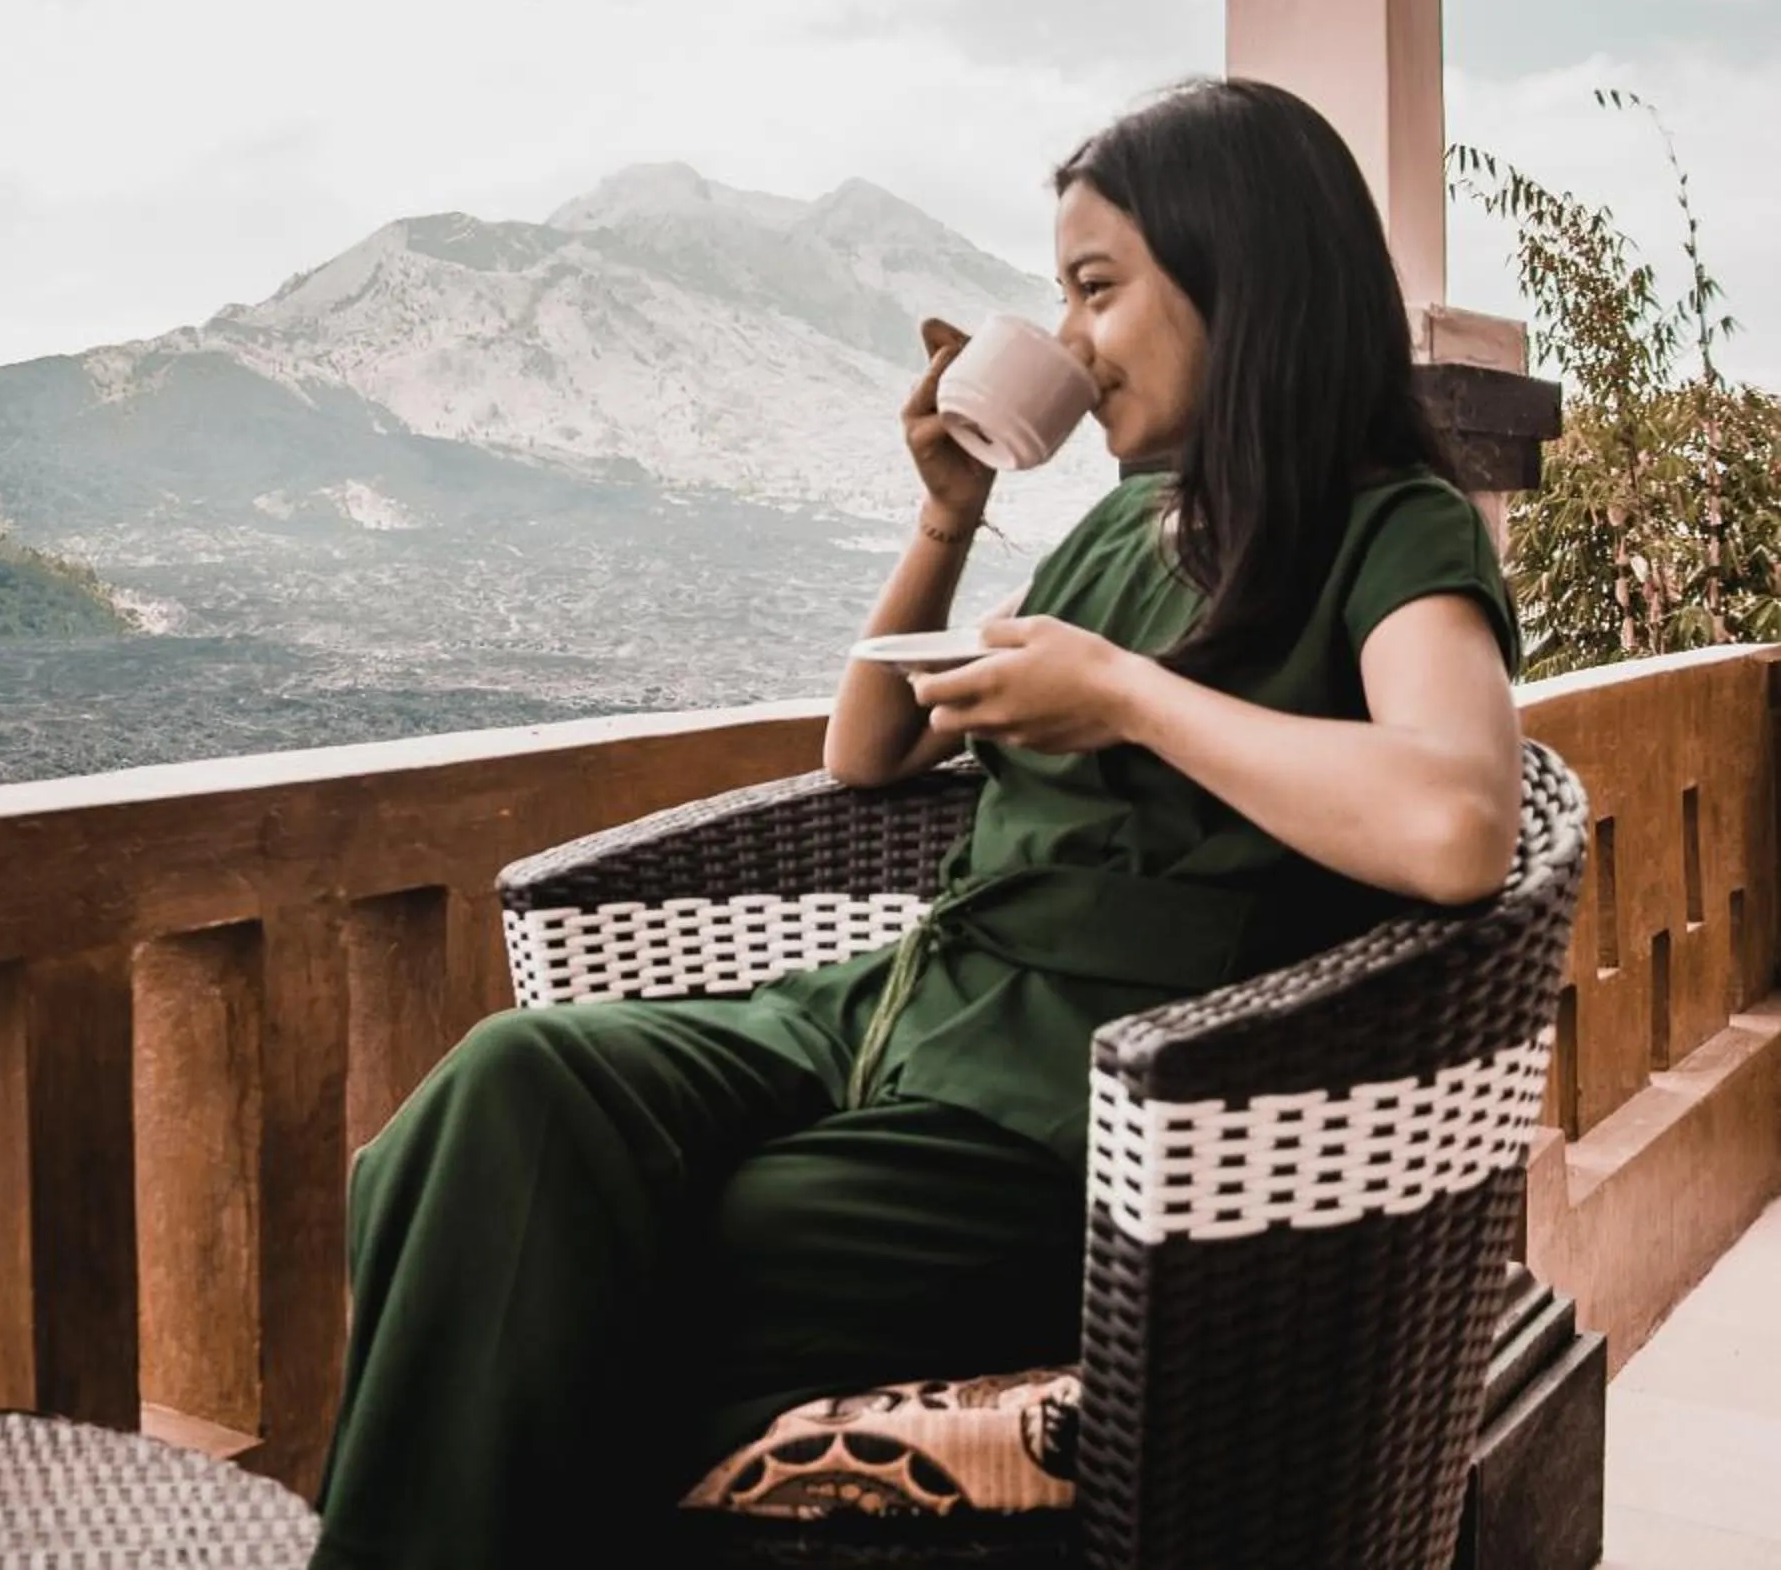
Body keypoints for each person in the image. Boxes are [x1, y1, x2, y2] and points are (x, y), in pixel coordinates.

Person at [308, 76, 1526, 1569]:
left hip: (1082, 1103)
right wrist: (947, 518)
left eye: (1099, 291)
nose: (1071, 342)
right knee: (498, 1098)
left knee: (563, 1256)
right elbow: (867, 750)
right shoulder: (1121, 528)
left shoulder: (1391, 526)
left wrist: (1134, 701)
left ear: (1246, 281)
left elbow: (1461, 821)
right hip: (881, 1011)